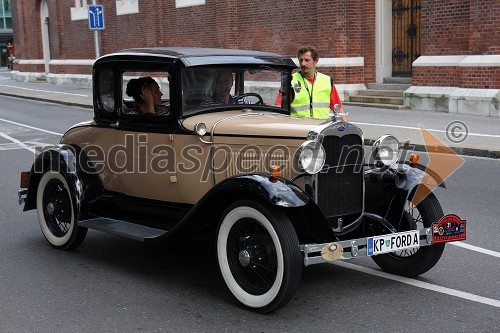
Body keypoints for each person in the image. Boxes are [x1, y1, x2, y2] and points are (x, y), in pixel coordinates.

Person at [276, 46, 347, 121]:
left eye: (307, 60)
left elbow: (338, 109)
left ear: (316, 61)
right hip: (298, 128)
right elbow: (279, 107)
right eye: (301, 60)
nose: (303, 64)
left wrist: (345, 127)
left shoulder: (327, 81)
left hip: (321, 128)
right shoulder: (291, 81)